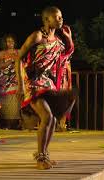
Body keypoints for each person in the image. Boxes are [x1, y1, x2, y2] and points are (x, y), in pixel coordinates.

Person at [15, 6, 76, 170]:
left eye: (61, 17)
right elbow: (19, 58)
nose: (60, 19)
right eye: (57, 17)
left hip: (47, 83)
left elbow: (67, 54)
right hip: (33, 83)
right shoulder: (37, 36)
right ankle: (40, 157)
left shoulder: (57, 40)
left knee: (53, 118)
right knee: (47, 116)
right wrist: (20, 86)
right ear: (47, 20)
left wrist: (69, 38)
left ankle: (45, 154)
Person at [0, 34, 21, 129]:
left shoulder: (18, 52)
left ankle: (16, 123)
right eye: (8, 41)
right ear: (5, 43)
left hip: (16, 78)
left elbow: (24, 63)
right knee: (6, 101)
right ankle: (6, 123)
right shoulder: (2, 53)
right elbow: (0, 65)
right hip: (5, 79)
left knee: (16, 100)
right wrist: (11, 61)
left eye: (12, 41)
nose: (10, 43)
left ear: (14, 42)